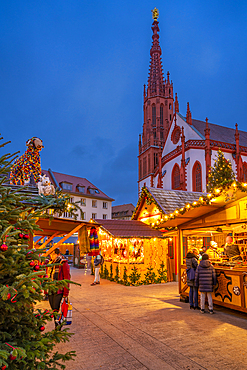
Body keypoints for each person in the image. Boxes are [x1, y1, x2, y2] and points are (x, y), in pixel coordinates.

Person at [48, 248, 70, 327]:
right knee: (53, 309)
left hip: (58, 290)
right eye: (51, 254)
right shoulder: (50, 263)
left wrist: (66, 292)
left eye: (53, 254)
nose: (52, 255)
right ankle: (58, 323)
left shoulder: (63, 263)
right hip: (50, 289)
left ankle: (57, 327)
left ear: (58, 254)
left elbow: (66, 278)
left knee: (56, 308)